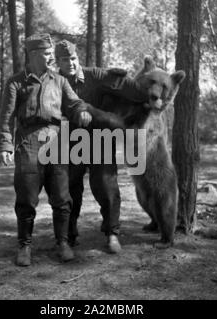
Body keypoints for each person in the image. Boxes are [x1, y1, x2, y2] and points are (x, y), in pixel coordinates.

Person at [0, 34, 92, 266]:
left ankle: (62, 242)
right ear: (33, 55)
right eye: (47, 53)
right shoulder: (16, 82)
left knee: (62, 197)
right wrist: (5, 145)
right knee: (27, 197)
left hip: (56, 141)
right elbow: (7, 117)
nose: (51, 57)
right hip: (28, 142)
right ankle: (24, 246)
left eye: (51, 53)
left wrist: (81, 111)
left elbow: (74, 102)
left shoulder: (59, 81)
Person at [55, 39, 148, 253]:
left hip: (99, 138)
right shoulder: (54, 81)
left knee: (107, 186)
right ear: (57, 62)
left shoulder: (95, 75)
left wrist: (147, 96)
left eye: (73, 58)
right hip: (71, 140)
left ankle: (112, 233)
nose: (70, 62)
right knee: (69, 187)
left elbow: (128, 88)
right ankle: (69, 235)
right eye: (64, 60)